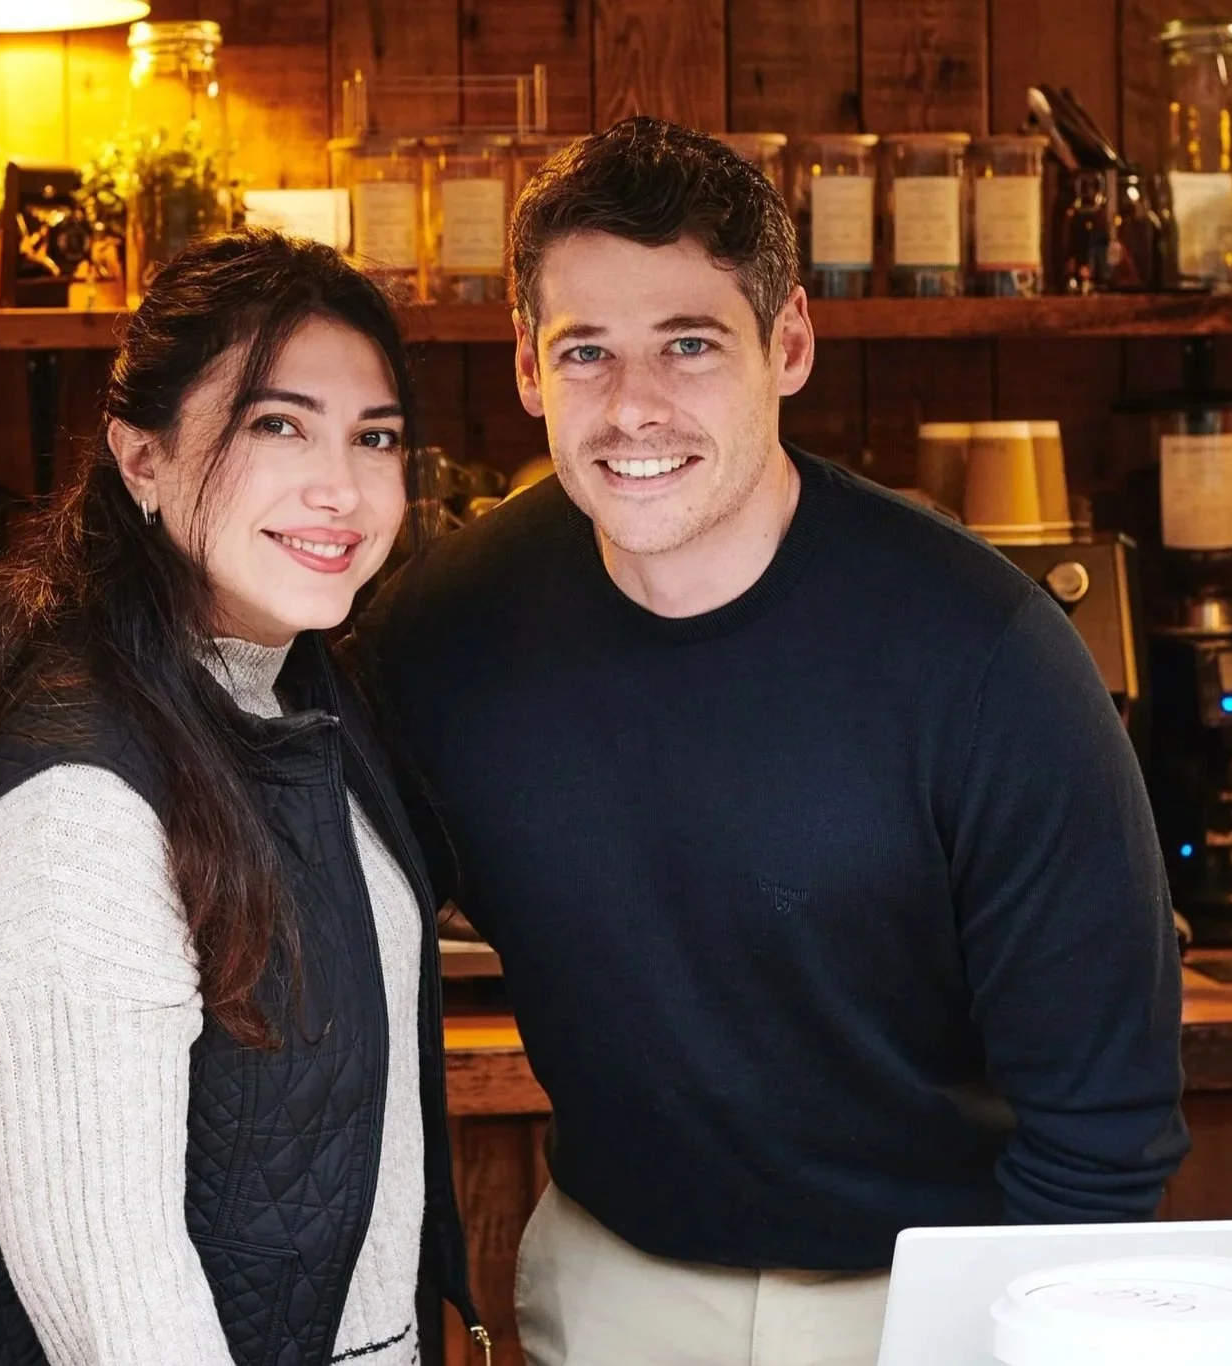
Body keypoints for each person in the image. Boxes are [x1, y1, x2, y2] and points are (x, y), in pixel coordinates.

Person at [355, 118, 1189, 1366]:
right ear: (527, 367)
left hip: (923, 1296)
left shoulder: (985, 654)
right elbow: (313, 928)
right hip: (612, 1286)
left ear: (787, 342)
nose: (634, 406)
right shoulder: (440, 633)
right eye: (587, 351)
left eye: (690, 344)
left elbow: (1104, 1125)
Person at [0, 230, 484, 1366]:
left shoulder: (307, 692)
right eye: (276, 424)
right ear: (141, 454)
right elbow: (115, 1304)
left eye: (375, 437)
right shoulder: (80, 807)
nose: (340, 485)